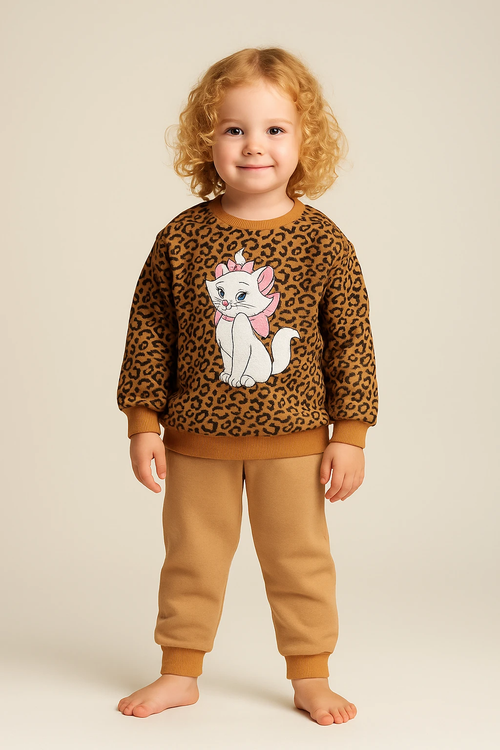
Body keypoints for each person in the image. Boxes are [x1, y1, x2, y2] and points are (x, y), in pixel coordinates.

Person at [116, 46, 378, 726]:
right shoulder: (180, 239)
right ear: (207, 140)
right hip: (195, 440)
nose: (254, 145)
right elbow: (150, 333)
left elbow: (351, 342)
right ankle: (179, 672)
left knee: (299, 562)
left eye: (274, 129)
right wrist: (143, 422)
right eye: (235, 129)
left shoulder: (325, 243)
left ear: (304, 141)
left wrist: (350, 435)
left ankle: (311, 675)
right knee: (191, 559)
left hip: (294, 443)